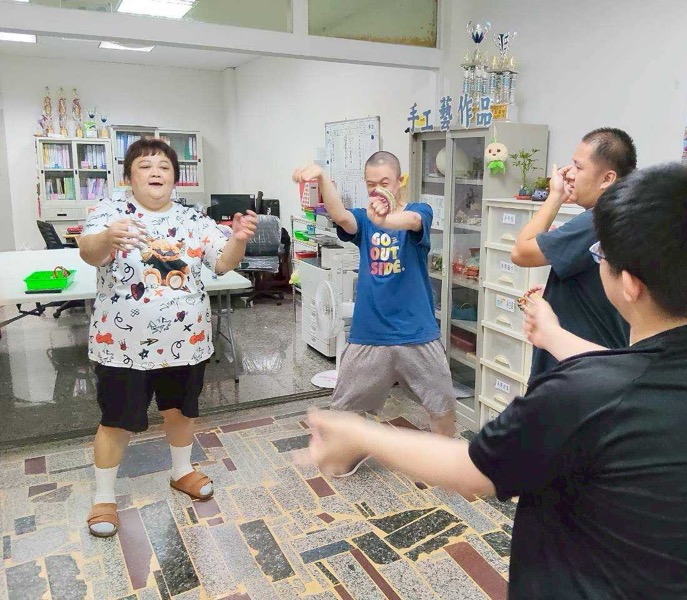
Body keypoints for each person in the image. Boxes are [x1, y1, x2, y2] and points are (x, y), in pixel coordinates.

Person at [302, 163, 687, 599]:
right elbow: (642, 373)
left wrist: (362, 433)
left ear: (630, 284)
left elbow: (470, 471)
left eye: (601, 254)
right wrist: (555, 336)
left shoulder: (579, 394)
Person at [79, 139, 257, 537]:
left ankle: (181, 471)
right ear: (129, 177)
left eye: (164, 166)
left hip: (186, 342)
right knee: (116, 421)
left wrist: (239, 237)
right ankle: (103, 498)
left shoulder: (194, 219)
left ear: (175, 177)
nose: (155, 172)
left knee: (180, 411)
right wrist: (108, 237)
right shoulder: (110, 212)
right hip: (122, 347)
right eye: (145, 166)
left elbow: (223, 263)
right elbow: (88, 252)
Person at [292, 151, 456, 475]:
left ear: (400, 181)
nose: (378, 190)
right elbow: (340, 216)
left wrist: (386, 220)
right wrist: (322, 178)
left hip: (416, 331)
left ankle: (448, 460)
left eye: (385, 182)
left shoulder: (419, 211)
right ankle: (355, 449)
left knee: (441, 403)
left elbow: (413, 221)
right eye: (371, 184)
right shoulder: (364, 219)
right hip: (369, 332)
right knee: (342, 413)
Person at [510, 128, 635, 383]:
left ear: (607, 178)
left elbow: (520, 253)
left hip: (571, 369)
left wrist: (555, 197)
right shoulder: (626, 214)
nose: (569, 174)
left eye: (578, 167)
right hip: (597, 363)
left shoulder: (596, 221)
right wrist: (558, 292)